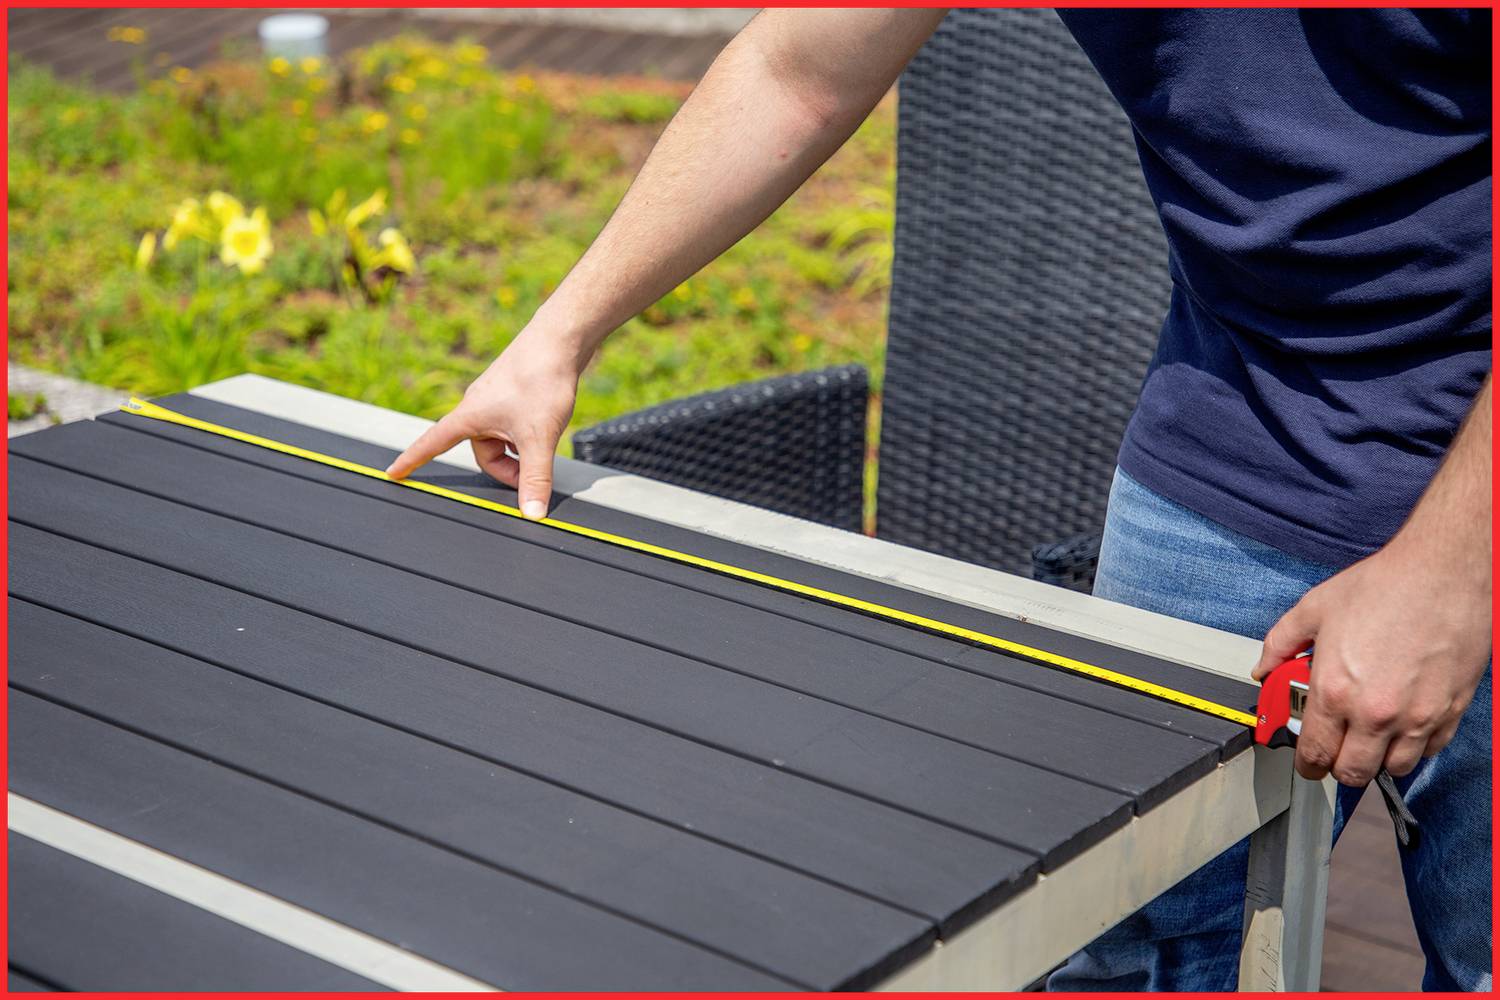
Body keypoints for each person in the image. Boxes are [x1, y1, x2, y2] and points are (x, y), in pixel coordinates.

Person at [388, 9, 1492, 990]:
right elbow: (797, 69)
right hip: (1229, 439)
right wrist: (559, 335)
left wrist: (1448, 573)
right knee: (1124, 946)